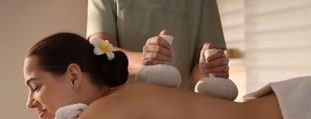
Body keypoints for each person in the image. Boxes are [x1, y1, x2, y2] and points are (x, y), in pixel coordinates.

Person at [10, 33, 285, 119]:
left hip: (295, 113)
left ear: (73, 75)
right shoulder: (118, 110)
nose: (30, 103)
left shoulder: (118, 105)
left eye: (35, 87)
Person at [86, 0, 229, 90]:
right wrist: (143, 60)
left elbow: (200, 67)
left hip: (182, 109)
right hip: (124, 107)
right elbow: (100, 49)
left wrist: (207, 71)